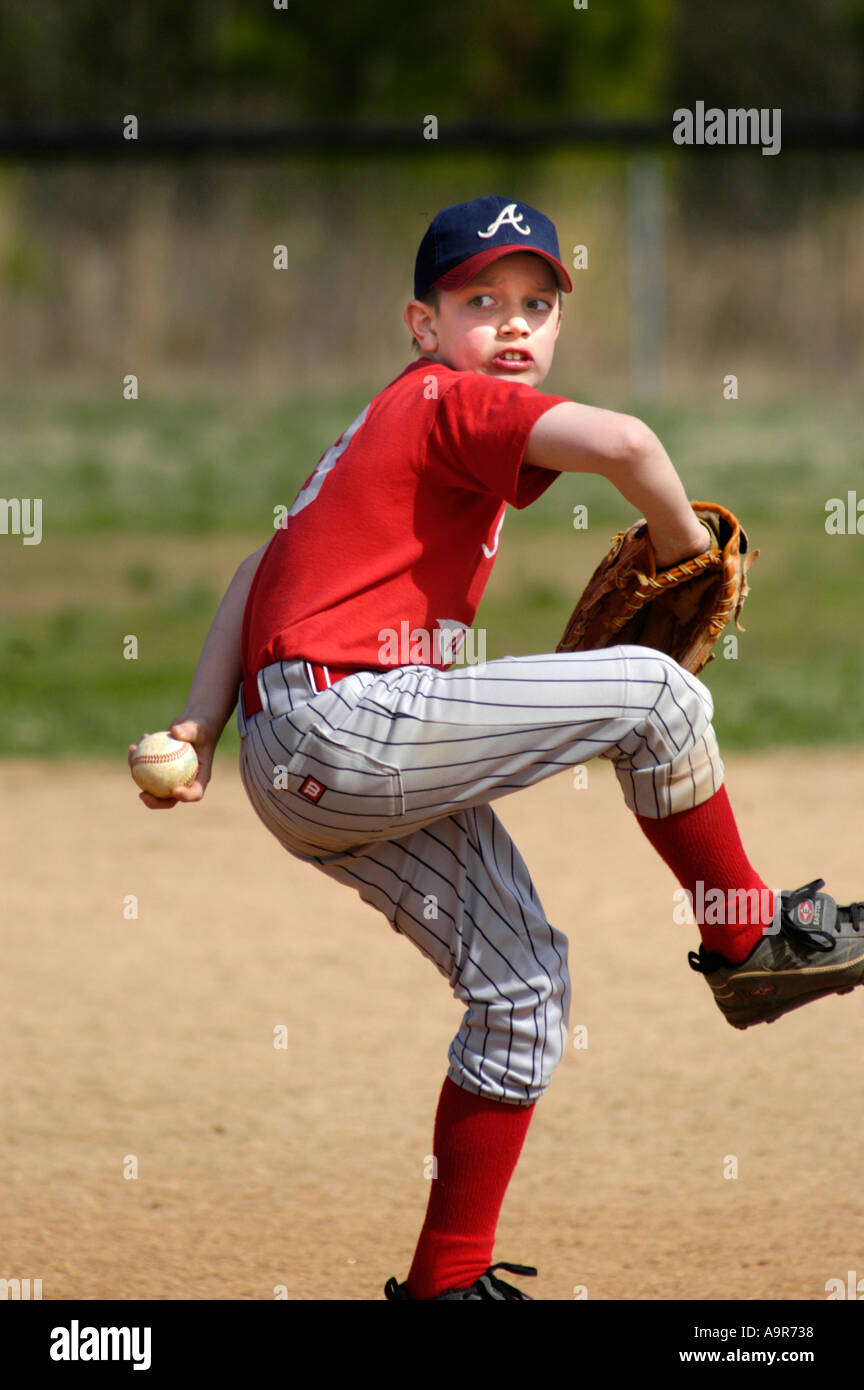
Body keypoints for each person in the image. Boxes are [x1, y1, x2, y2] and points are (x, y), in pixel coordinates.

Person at [131, 195, 864, 1301]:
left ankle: (445, 1282)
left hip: (303, 762)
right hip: (350, 721)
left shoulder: (383, 429)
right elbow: (630, 443)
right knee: (656, 694)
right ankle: (750, 938)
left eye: (537, 304)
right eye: (481, 302)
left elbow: (257, 570)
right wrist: (687, 546)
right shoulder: (440, 398)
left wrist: (200, 716)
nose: (512, 326)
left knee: (523, 985)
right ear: (423, 324)